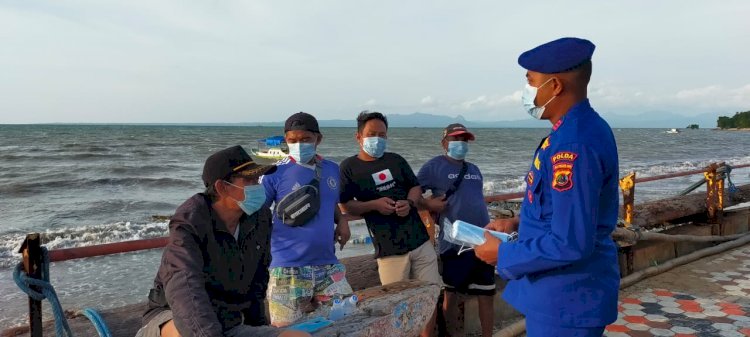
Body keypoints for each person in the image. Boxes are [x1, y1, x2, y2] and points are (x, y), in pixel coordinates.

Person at [475, 37, 620, 337]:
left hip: (567, 298)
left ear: (555, 86)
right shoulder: (573, 131)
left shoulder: (573, 144)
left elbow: (572, 242)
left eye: (531, 81)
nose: (526, 91)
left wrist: (503, 255)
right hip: (561, 295)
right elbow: (560, 210)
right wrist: (518, 222)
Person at [138, 145, 310, 337]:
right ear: (222, 187)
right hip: (174, 318)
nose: (258, 186)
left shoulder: (259, 217)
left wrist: (259, 327)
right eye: (249, 180)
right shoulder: (190, 222)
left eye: (257, 179)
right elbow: (185, 287)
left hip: (228, 322)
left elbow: (258, 280)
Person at [339, 111, 440, 337]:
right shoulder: (348, 167)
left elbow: (415, 186)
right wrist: (374, 204)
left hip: (421, 242)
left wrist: (410, 202)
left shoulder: (396, 160)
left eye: (382, 135)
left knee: (430, 298)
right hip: (389, 250)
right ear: (358, 137)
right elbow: (346, 206)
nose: (377, 139)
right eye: (371, 134)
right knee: (395, 308)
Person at [262, 112, 354, 327]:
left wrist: (342, 221)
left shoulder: (332, 168)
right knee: (287, 332)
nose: (299, 144)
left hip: (328, 265)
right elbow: (258, 214)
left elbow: (330, 201)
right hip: (287, 268)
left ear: (318, 139)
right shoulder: (273, 172)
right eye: (292, 140)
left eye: (305, 139)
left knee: (346, 322)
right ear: (286, 140)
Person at [417, 123, 495, 337]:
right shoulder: (433, 167)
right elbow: (413, 196)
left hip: (483, 242)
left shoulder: (474, 169)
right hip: (454, 245)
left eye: (464, 140)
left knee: (487, 295)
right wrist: (429, 205)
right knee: (452, 296)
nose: (461, 144)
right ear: (444, 143)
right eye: (456, 139)